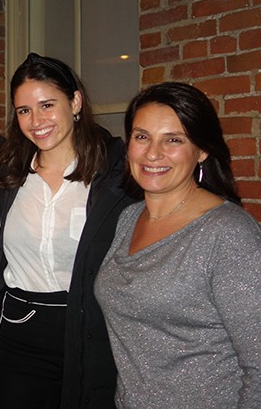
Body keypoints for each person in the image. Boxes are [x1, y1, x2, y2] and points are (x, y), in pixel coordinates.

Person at [0, 53, 138, 409]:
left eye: (46, 105)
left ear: (75, 102)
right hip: (17, 334)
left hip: (89, 335)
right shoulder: (7, 180)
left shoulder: (115, 180)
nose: (35, 121)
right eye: (24, 110)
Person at [95, 82, 261, 408]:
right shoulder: (129, 218)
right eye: (142, 136)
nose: (153, 153)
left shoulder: (228, 236)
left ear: (202, 150)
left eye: (173, 140)